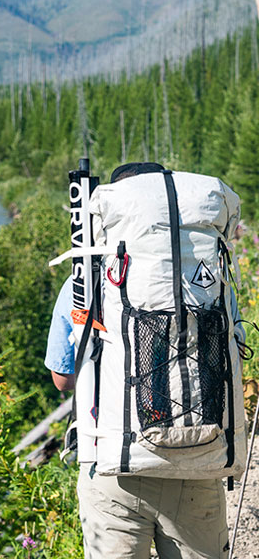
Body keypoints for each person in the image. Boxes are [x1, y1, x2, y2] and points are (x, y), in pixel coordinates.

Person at [46, 161, 231, 558]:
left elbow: (62, 379)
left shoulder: (86, 276)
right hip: (197, 459)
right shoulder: (210, 278)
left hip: (112, 461)